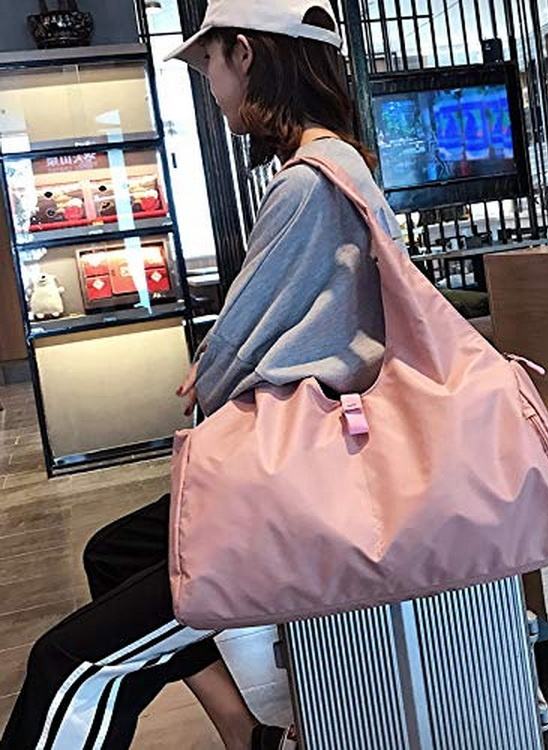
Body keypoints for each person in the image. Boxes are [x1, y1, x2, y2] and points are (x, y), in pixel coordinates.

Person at [0, 0, 405, 748]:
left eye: (210, 65)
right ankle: (242, 732)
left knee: (71, 665)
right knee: (113, 553)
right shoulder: (341, 163)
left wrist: (212, 372)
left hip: (290, 490)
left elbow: (229, 356)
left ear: (244, 53)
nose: (212, 90)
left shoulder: (307, 182)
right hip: (315, 462)